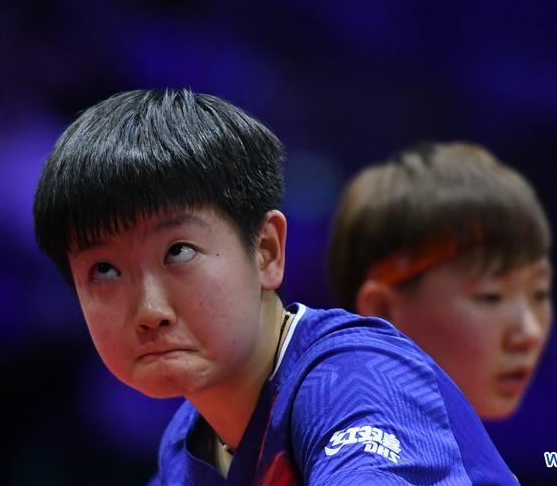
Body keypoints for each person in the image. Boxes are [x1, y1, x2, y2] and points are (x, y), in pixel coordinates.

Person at [33, 90, 517, 484]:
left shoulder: (355, 379)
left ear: (266, 251)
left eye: (178, 251)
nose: (149, 310)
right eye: (104, 270)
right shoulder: (186, 450)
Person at [328, 142, 553, 421]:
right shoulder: (361, 460)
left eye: (540, 294)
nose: (529, 334)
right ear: (383, 312)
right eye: (491, 296)